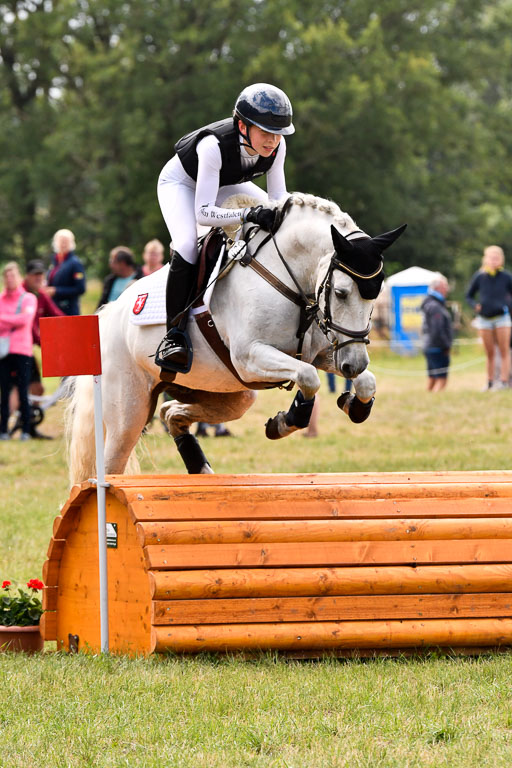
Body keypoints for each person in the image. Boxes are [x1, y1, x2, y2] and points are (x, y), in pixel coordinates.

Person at [155, 82, 295, 372]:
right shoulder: (212, 147)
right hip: (182, 184)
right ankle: (174, 335)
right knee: (185, 245)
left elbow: (278, 200)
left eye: (278, 134)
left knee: (281, 220)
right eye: (266, 132)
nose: (272, 141)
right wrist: (249, 215)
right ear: (242, 126)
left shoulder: (276, 147)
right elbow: (204, 213)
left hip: (225, 181)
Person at [466, 245, 512, 391]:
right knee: (490, 353)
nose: (494, 260)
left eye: (497, 257)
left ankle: (503, 382)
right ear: (486, 259)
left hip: (502, 318)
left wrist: (507, 305)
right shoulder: (480, 276)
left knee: (504, 351)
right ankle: (490, 382)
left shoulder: (506, 276)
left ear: (501, 259)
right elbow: (469, 296)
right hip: (484, 319)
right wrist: (475, 305)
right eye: (491, 257)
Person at [0, 262, 38, 440]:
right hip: (4, 351)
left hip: (22, 350)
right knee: (4, 390)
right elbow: (19, 319)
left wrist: (4, 320)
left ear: (19, 277)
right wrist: (13, 319)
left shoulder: (29, 298)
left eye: (13, 276)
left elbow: (25, 320)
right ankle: (3, 429)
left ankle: (25, 429)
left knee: (23, 390)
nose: (10, 280)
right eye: (6, 277)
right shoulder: (1, 298)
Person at [421, 273, 453, 392]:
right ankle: (436, 401)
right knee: (441, 378)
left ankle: (427, 400)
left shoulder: (429, 303)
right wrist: (446, 345)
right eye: (445, 286)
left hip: (429, 345)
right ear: (438, 287)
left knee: (432, 377)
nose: (447, 289)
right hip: (437, 347)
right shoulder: (435, 306)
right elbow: (437, 329)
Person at [47, 228, 86, 315]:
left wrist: (56, 291)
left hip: (68, 310)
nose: (63, 244)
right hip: (54, 309)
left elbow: (80, 289)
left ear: (72, 243)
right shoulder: (55, 262)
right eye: (61, 241)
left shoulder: (75, 263)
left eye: (66, 241)